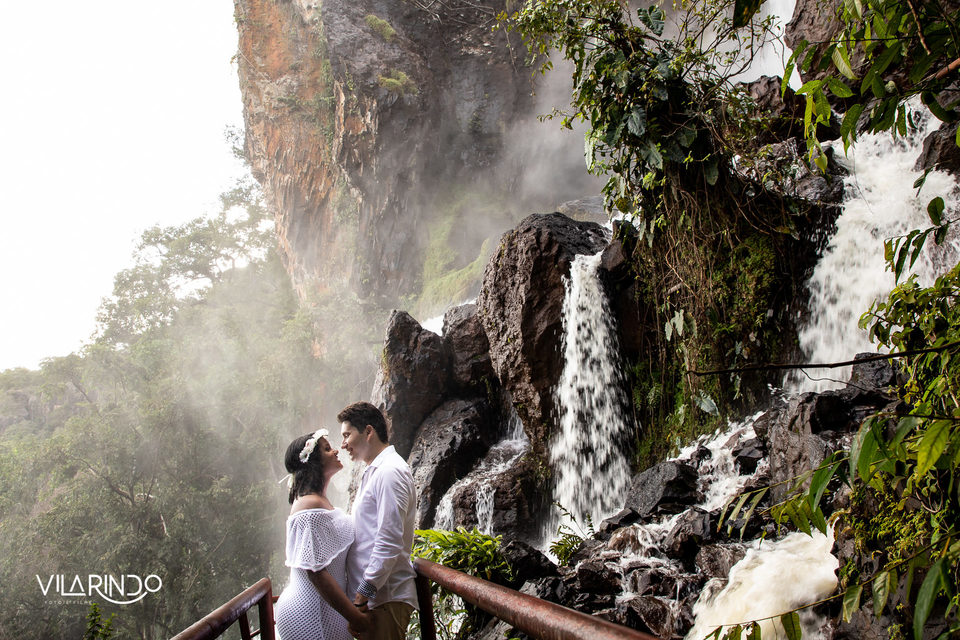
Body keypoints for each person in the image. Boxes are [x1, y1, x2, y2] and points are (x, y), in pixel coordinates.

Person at [274, 428, 372, 640]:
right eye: (327, 449)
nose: (336, 451)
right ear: (313, 462)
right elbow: (316, 572)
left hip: (322, 609)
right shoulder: (309, 507)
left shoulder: (318, 501)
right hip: (310, 613)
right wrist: (355, 617)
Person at [338, 402, 418, 640]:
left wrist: (362, 597)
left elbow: (389, 541)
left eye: (347, 435)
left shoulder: (389, 472)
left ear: (369, 431)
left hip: (383, 600)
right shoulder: (374, 471)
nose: (343, 444)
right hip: (375, 600)